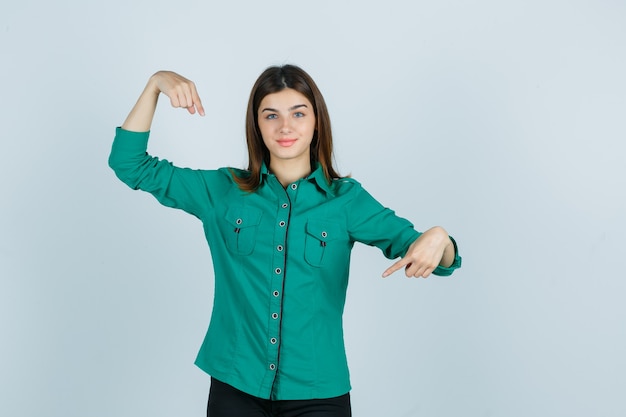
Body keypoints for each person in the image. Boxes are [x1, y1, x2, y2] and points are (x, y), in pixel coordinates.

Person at [109, 65, 462, 417]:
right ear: (257, 126)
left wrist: (439, 238)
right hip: (236, 384)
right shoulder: (222, 191)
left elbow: (431, 254)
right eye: (271, 115)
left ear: (316, 122)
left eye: (298, 113)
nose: (285, 127)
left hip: (318, 391)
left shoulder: (347, 201)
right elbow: (130, 164)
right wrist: (155, 84)